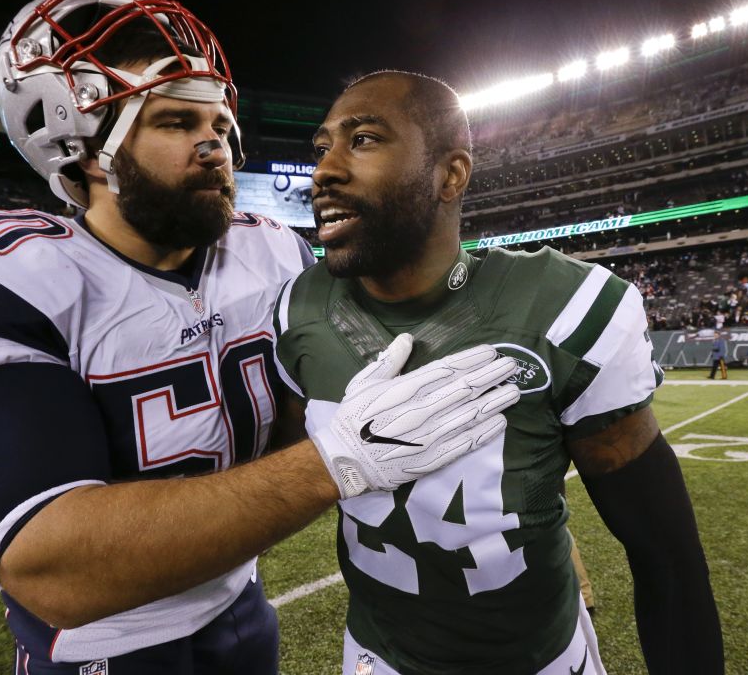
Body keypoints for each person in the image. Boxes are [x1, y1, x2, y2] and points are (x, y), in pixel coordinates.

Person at [0, 0, 517, 674]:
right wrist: (336, 461)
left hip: (242, 608)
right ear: (86, 149)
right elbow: (51, 567)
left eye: (218, 126)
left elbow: (343, 394)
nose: (215, 148)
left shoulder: (272, 252)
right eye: (177, 124)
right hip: (105, 648)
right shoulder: (3, 275)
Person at [275, 71, 723, 674]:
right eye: (322, 147)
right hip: (375, 658)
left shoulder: (563, 307)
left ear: (450, 174)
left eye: (363, 140)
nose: (324, 170)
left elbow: (665, 557)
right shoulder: (297, 310)